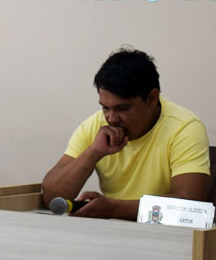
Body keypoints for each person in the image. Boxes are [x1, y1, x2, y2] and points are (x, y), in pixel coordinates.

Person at [42, 48, 210, 220]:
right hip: (113, 232)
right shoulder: (95, 126)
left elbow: (190, 207)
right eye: (105, 108)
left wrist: (113, 209)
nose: (111, 118)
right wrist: (93, 153)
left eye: (122, 108)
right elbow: (51, 197)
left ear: (152, 99)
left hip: (168, 235)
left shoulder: (184, 128)